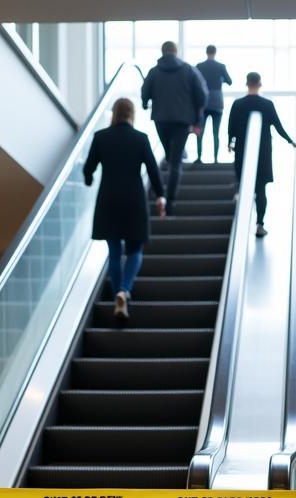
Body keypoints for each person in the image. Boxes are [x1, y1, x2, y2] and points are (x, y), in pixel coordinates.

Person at [84, 97, 166, 321]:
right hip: (134, 200)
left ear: (114, 114)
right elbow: (152, 170)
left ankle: (117, 293)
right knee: (135, 250)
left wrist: (89, 179)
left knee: (114, 252)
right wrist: (160, 196)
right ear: (131, 114)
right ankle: (124, 290)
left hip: (108, 200)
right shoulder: (141, 139)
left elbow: (88, 168)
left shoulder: (101, 138)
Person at [140, 41, 207, 214]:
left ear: (162, 52)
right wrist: (197, 115)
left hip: (161, 119)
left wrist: (145, 102)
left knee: (170, 157)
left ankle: (163, 195)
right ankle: (169, 200)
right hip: (183, 121)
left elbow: (145, 92)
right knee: (175, 161)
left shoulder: (154, 72)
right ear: (176, 52)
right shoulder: (189, 70)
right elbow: (202, 95)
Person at [227, 73, 296, 239]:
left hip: (242, 151)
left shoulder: (238, 104)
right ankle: (259, 224)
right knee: (260, 189)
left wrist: (230, 142)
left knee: (243, 184)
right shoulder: (266, 104)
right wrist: (290, 141)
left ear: (246, 83)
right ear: (260, 84)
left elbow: (231, 127)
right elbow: (278, 127)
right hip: (263, 153)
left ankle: (240, 218)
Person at [195, 45, 232, 164]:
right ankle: (215, 159)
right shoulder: (221, 66)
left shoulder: (200, 66)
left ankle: (199, 157)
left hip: (203, 101)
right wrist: (220, 80)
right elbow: (229, 81)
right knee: (216, 132)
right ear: (215, 53)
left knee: (200, 131)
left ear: (206, 52)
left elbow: (194, 82)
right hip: (217, 102)